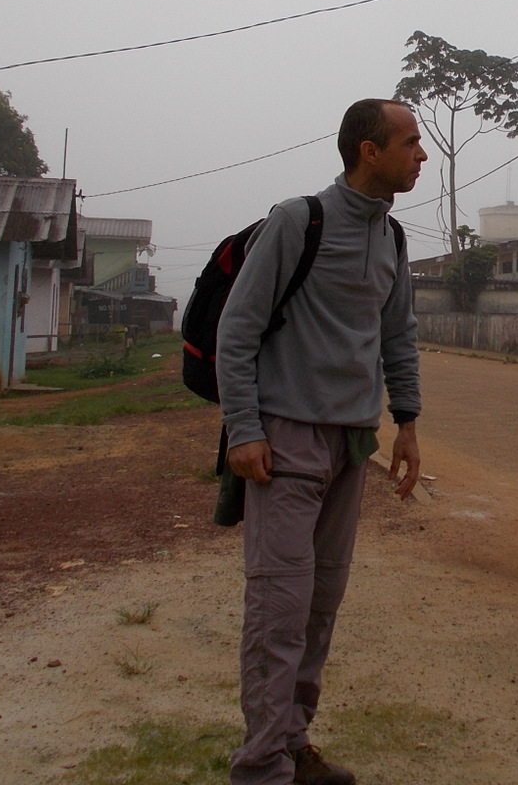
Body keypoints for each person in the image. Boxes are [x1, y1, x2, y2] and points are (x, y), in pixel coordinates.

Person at [216, 97, 427, 785]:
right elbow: (238, 329)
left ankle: (292, 744)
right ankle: (261, 768)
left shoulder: (393, 239)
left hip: (350, 445)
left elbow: (396, 337)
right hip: (283, 444)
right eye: (411, 143)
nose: (422, 155)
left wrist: (408, 424)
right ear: (370, 150)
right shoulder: (297, 221)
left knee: (319, 606)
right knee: (279, 608)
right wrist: (244, 430)